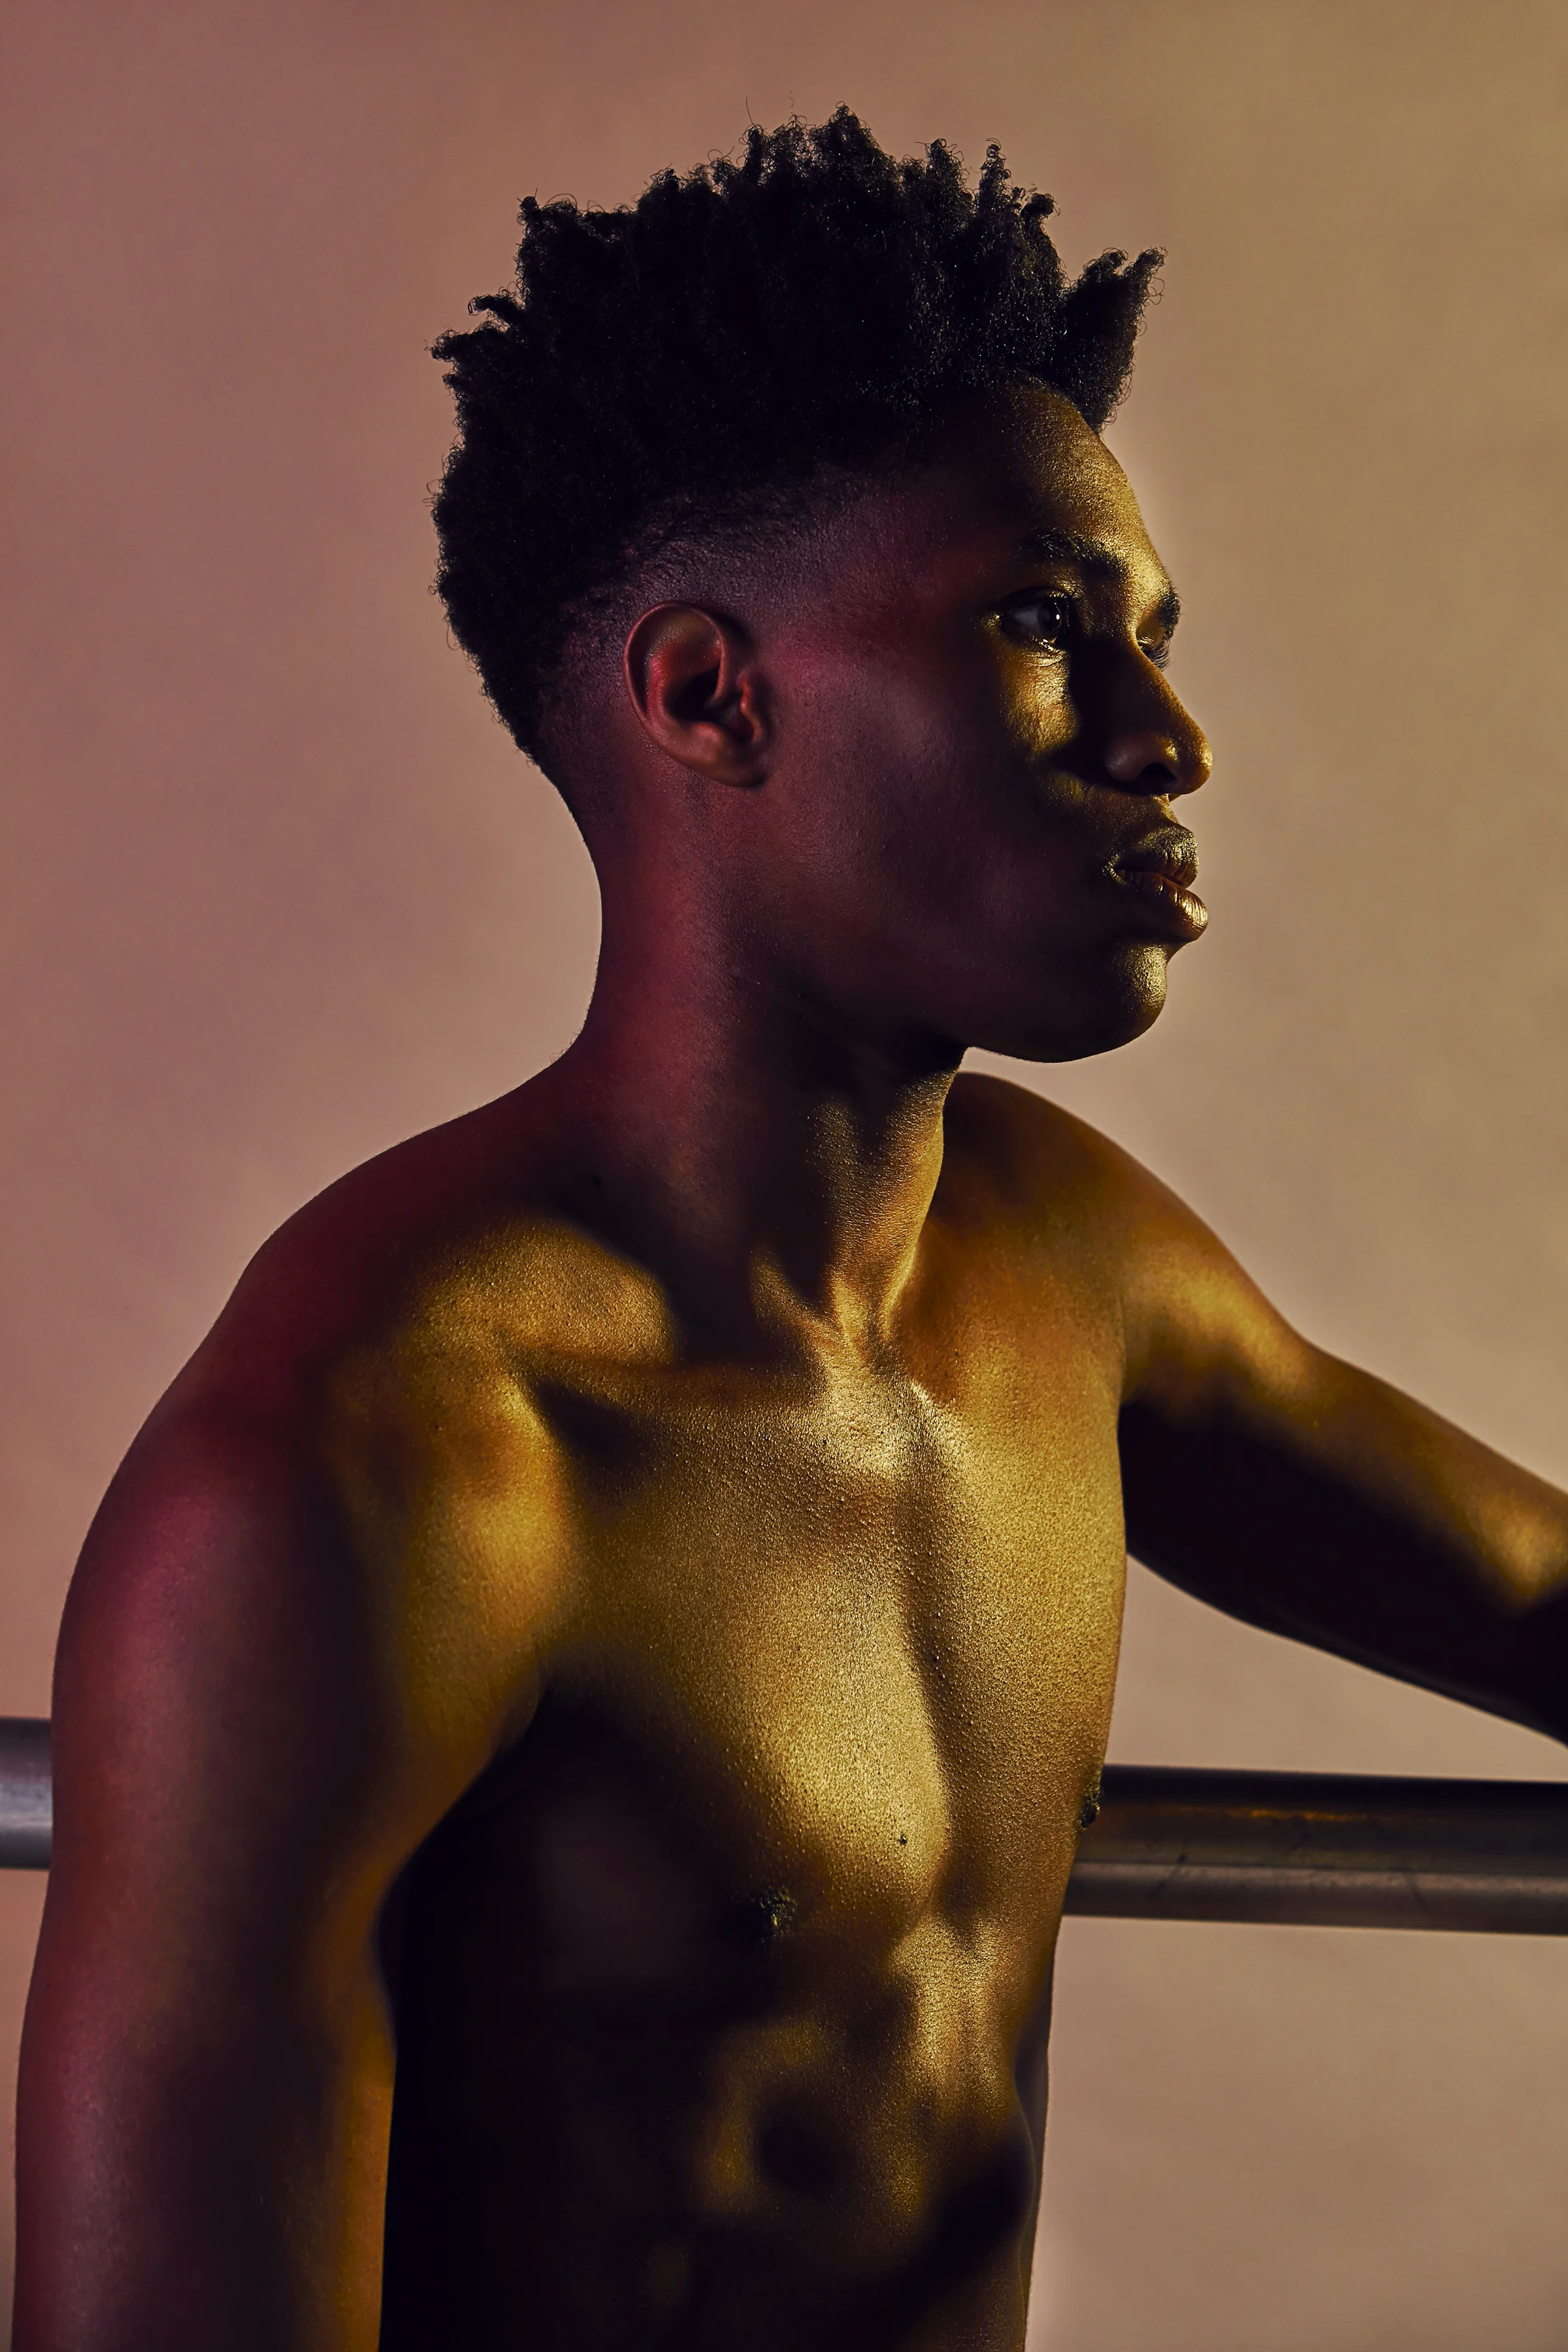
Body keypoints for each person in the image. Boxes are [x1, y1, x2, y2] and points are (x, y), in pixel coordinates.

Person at [13, 108, 1567, 2352]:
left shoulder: (1064, 1265)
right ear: (708, 695)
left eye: (1153, 634)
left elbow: (1537, 1599)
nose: (1172, 736)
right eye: (1045, 626)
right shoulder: (381, 1470)